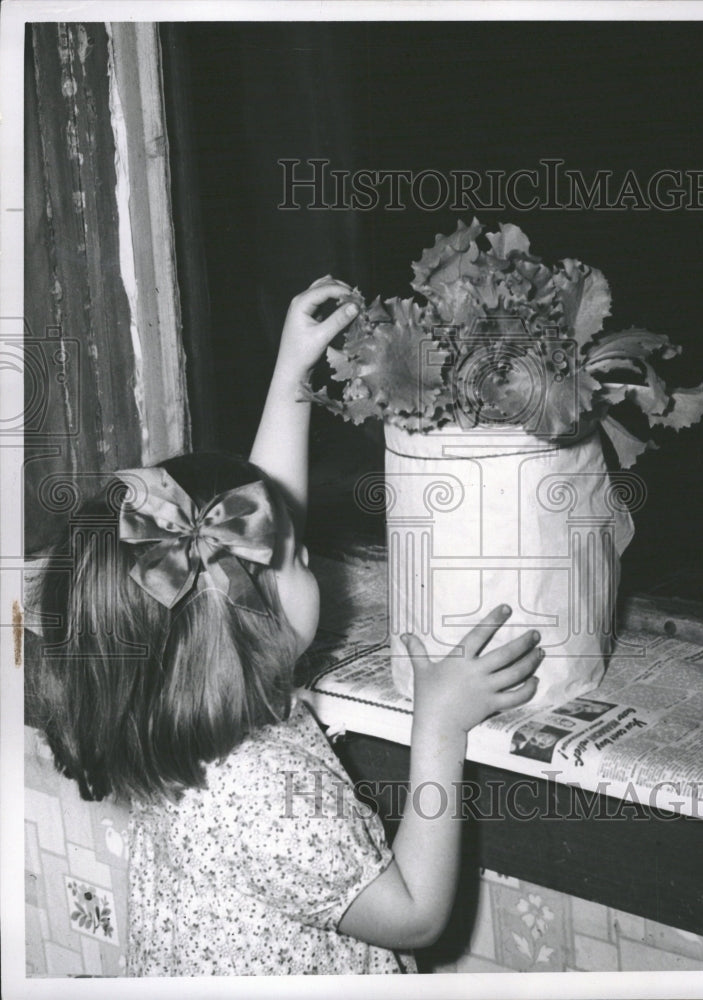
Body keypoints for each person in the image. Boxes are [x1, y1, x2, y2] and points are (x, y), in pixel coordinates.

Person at [31, 278, 544, 975]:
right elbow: (416, 915)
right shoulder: (264, 795)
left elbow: (261, 522)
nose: (309, 555)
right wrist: (440, 726)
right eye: (299, 556)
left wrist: (291, 374)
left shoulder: (179, 708)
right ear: (252, 621)